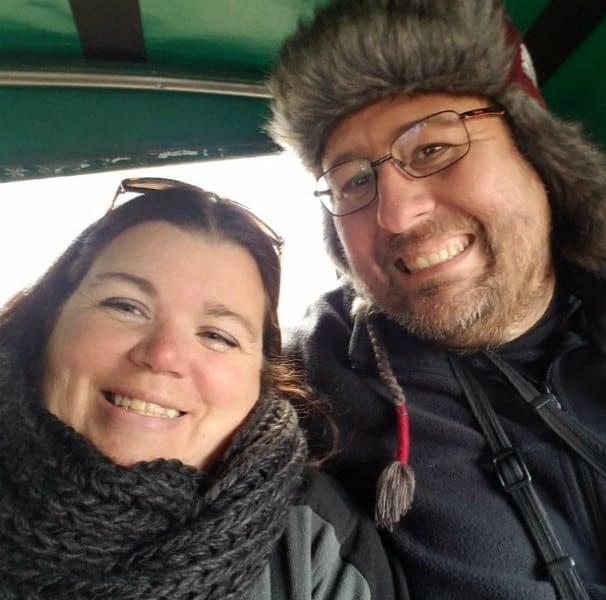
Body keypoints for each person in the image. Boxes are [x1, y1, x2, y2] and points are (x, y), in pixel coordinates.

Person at [267, 1, 606, 598]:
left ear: (538, 154)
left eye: (433, 149)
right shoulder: (322, 381)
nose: (395, 213)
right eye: (354, 180)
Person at [0, 178, 399, 599]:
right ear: (48, 321)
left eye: (217, 335)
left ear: (260, 379)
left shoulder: (314, 537)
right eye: (125, 306)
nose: (163, 356)